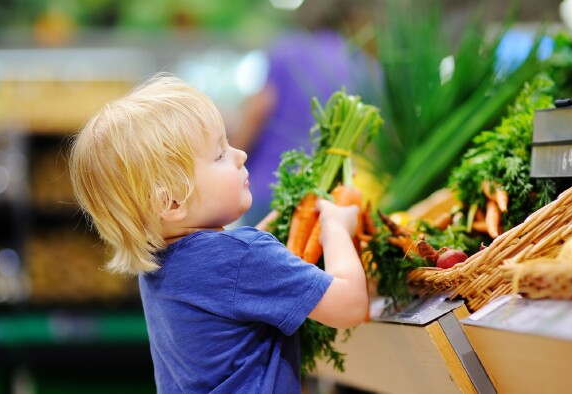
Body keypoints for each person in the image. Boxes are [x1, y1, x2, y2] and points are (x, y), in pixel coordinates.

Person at [68, 73, 368, 393]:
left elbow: (232, 276)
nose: (240, 156)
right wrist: (335, 228)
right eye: (220, 155)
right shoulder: (242, 257)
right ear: (171, 202)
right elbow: (349, 306)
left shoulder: (160, 263)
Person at [230, 0, 381, 226]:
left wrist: (228, 162)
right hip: (329, 198)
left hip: (268, 188)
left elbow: (257, 113)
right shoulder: (366, 66)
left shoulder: (289, 49)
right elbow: (369, 144)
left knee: (256, 254)